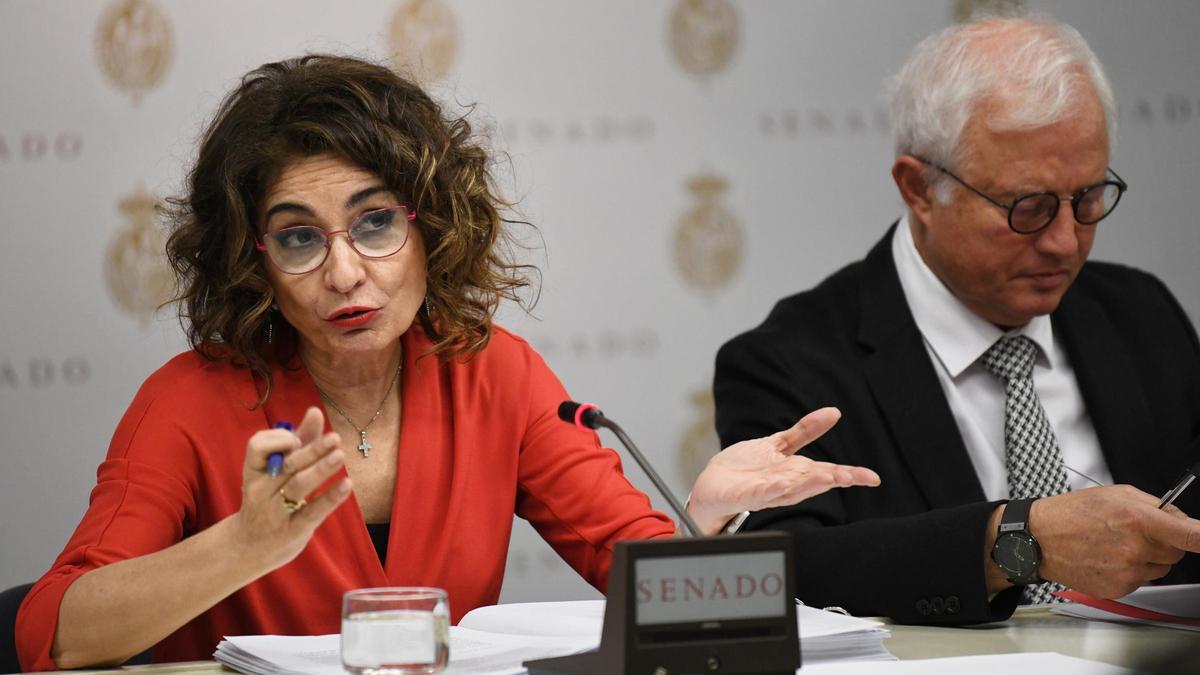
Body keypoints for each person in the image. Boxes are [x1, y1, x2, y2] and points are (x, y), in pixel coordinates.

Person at [15, 55, 879, 670]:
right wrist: (241, 545)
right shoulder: (188, 400)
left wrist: (707, 516)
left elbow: (644, 579)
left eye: (376, 222)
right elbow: (53, 631)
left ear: (435, 227)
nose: (346, 272)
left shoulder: (492, 373)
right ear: (253, 261)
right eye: (299, 238)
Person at [715, 13, 1200, 625]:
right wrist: (1020, 541)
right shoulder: (790, 362)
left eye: (1089, 199)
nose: (1064, 241)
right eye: (1030, 208)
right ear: (919, 188)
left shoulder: (1139, 314)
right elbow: (780, 571)